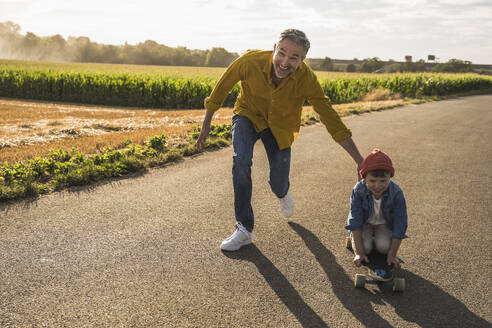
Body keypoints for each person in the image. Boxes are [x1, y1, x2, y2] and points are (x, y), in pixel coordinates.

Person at [196, 29, 364, 251]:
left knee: (277, 182)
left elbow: (329, 116)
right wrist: (207, 122)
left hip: (281, 126)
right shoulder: (250, 62)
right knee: (241, 161)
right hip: (248, 114)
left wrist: (359, 160)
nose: (285, 62)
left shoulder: (306, 79)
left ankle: (282, 192)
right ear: (275, 48)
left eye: (294, 57)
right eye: (282, 53)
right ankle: (244, 229)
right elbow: (222, 88)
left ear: (302, 60)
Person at [345, 149, 408, 267]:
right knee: (366, 248)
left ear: (390, 177)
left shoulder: (396, 192)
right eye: (372, 181)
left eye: (383, 181)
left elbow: (401, 223)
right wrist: (359, 253)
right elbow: (355, 220)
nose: (378, 186)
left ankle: (372, 240)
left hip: (383, 225)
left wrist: (392, 255)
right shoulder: (358, 190)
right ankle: (355, 238)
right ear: (364, 178)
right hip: (365, 224)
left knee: (384, 248)